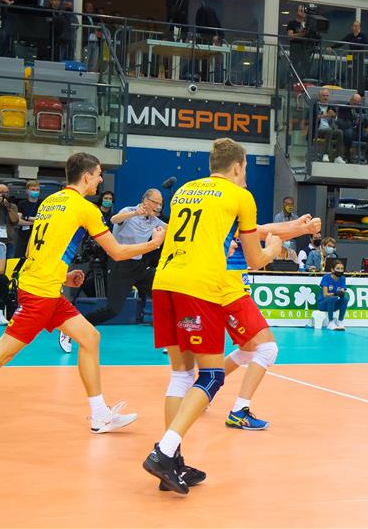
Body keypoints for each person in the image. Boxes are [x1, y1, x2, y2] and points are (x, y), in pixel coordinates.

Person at [0, 153, 162, 446]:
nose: (101, 179)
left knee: (90, 337)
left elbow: (35, 251)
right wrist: (153, 243)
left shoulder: (51, 202)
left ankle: (100, 415)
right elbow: (116, 251)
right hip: (40, 295)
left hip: (46, 288)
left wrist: (63, 276)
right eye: (99, 174)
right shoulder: (85, 208)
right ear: (86, 176)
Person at [143, 138, 283, 493]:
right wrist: (273, 248)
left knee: (181, 375)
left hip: (164, 281)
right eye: (246, 168)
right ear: (237, 166)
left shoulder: (186, 190)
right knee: (211, 376)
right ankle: (163, 452)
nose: (245, 174)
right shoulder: (240, 196)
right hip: (198, 286)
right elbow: (254, 260)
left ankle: (172, 462)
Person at [217, 214, 320, 435]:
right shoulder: (229, 219)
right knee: (268, 349)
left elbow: (264, 228)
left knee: (248, 350)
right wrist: (302, 230)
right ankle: (239, 411)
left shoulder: (225, 219)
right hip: (231, 292)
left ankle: (204, 387)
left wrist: (298, 226)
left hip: (227, 290)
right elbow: (265, 235)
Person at [84, 188, 166, 326]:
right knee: (112, 310)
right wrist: (134, 213)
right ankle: (79, 326)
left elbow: (171, 228)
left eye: (161, 204)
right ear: (145, 201)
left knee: (163, 294)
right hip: (120, 266)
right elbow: (114, 219)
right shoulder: (128, 211)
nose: (158, 207)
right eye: (155, 203)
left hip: (139, 267)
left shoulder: (154, 220)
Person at [317, 261, 349, 330]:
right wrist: (335, 293)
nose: (340, 270)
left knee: (345, 300)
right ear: (332, 270)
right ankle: (330, 322)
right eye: (338, 268)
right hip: (323, 304)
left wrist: (341, 292)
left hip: (334, 305)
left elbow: (343, 289)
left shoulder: (343, 278)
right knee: (332, 298)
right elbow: (325, 295)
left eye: (342, 269)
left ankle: (340, 321)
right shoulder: (326, 277)